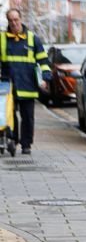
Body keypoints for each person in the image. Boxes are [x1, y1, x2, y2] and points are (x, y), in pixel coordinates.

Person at [0, 9, 51, 154]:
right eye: (11, 20)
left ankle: (26, 144)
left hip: (28, 85)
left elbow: (43, 60)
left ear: (21, 19)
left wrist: (45, 77)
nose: (14, 23)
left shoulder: (33, 39)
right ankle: (12, 140)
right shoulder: (2, 39)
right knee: (9, 116)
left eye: (16, 19)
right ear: (8, 21)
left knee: (27, 117)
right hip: (8, 85)